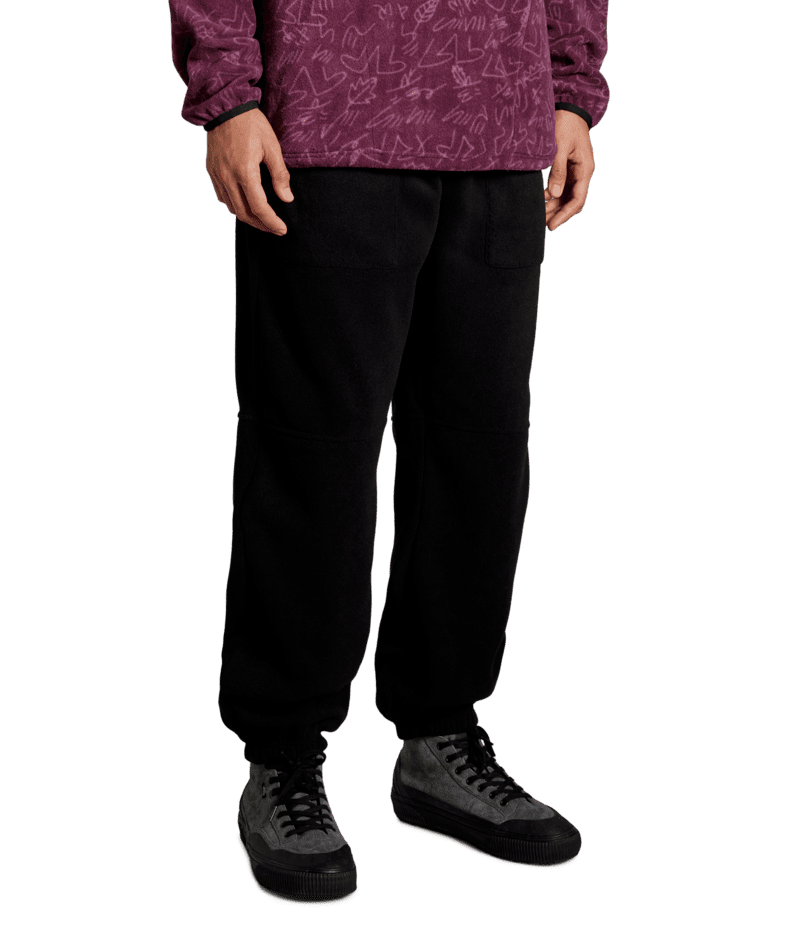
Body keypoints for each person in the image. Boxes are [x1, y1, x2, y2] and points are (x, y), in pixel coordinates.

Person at [168, 0, 610, 902]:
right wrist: (228, 96)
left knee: (480, 457)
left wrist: (569, 90)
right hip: (326, 125)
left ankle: (441, 736)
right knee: (314, 458)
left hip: (499, 129)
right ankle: (282, 754)